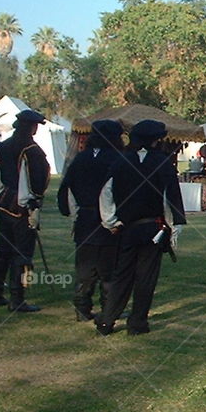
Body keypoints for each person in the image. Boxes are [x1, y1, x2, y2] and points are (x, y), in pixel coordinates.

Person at [97, 120, 186, 336]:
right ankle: (137, 323)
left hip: (127, 228)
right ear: (155, 140)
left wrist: (111, 221)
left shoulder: (120, 161)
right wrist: (174, 226)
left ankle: (107, 320)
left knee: (122, 275)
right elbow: (170, 197)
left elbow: (106, 193)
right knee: (146, 277)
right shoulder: (163, 163)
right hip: (153, 227)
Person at [57, 119, 125, 321]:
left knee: (85, 269)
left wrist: (72, 213)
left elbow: (66, 190)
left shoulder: (80, 159)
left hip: (84, 220)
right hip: (109, 220)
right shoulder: (117, 159)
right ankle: (109, 309)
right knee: (109, 270)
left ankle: (82, 309)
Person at [0, 108, 50, 312]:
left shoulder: (3, 146)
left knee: (3, 249)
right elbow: (35, 182)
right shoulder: (32, 150)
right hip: (22, 206)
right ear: (31, 127)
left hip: (5, 203)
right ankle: (17, 299)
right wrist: (32, 206)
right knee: (22, 253)